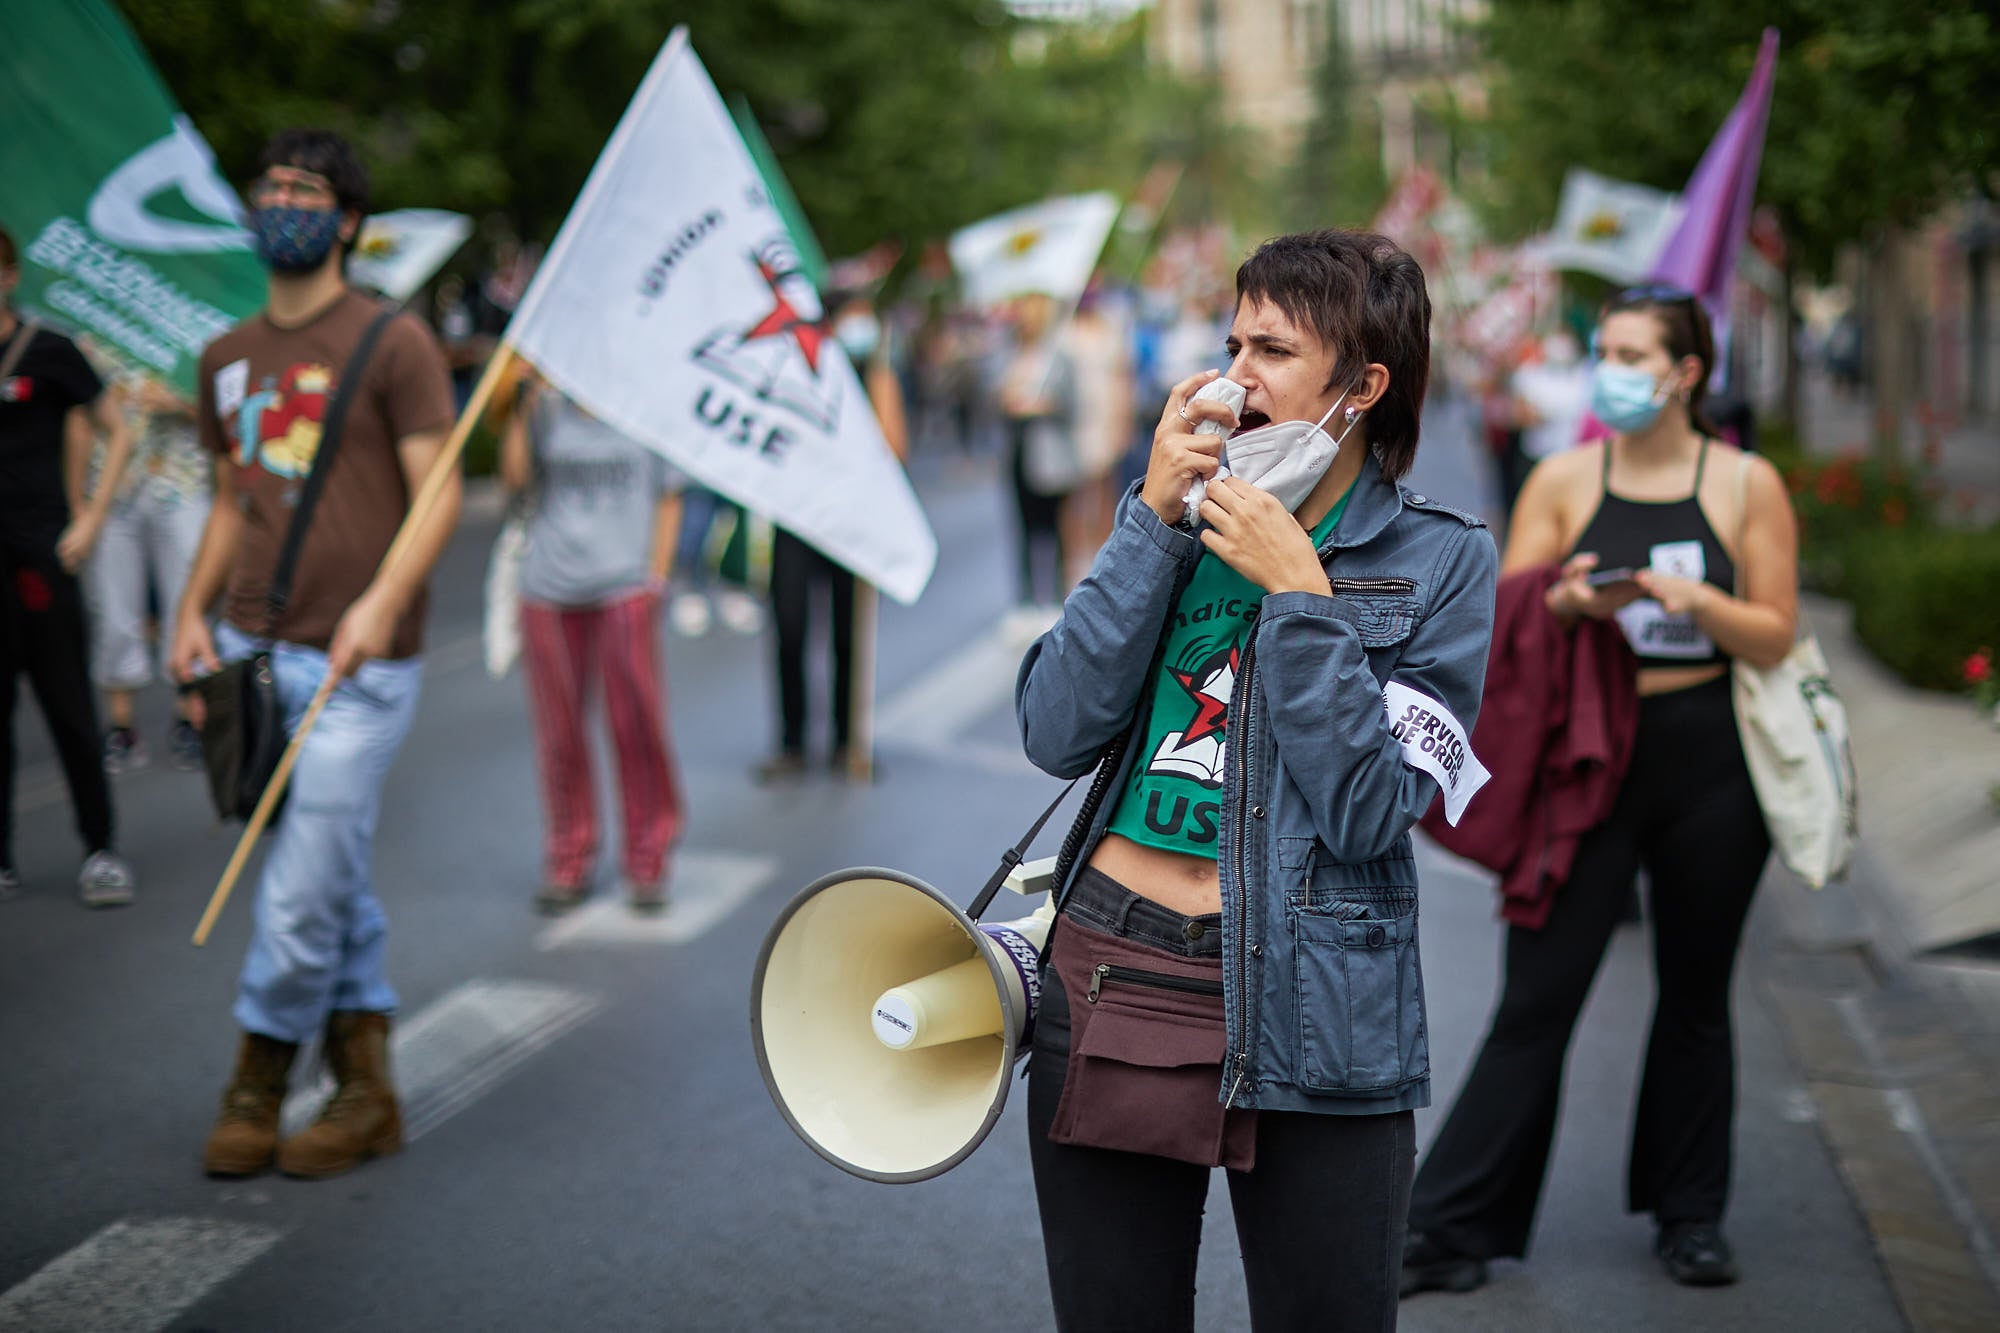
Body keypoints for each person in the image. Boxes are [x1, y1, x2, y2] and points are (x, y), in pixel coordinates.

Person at [1016, 229, 1499, 1332]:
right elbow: (1052, 727)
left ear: (1362, 386)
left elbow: (1373, 811)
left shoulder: (1441, 559)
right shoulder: (1174, 520)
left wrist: (1300, 599)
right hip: (1112, 971)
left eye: (1272, 350)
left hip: (1319, 1000)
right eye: (1231, 341)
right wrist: (1145, 518)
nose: (1233, 377)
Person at [1400, 286, 1800, 1293]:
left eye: (1630, 353)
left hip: (1709, 757)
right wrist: (1573, 599)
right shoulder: (1562, 476)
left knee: (1695, 993)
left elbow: (1774, 632)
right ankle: (1449, 1227)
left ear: (1684, 373)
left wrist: (1697, 598)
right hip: (1587, 761)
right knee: (1537, 992)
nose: (1609, 370)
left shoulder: (1744, 482)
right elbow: (1508, 613)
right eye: (1604, 351)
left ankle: (1689, 1215)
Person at [170, 129, 461, 1181]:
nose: (281, 200)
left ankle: (257, 1076)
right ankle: (368, 1089)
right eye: (270, 184)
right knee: (326, 873)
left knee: (295, 891)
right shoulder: (224, 355)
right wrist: (189, 613)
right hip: (252, 654)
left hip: (358, 667)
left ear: (345, 221)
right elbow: (226, 501)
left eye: (306, 188)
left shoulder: (394, 342)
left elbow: (440, 493)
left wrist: (380, 602)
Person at [499, 372, 685, 914]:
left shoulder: (645, 405)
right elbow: (515, 479)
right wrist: (519, 405)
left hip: (624, 588)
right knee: (559, 735)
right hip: (549, 590)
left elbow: (669, 496)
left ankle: (648, 857)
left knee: (637, 726)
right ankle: (568, 857)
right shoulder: (548, 407)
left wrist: (656, 578)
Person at [0, 226, 138, 907]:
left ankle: (101, 848)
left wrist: (89, 517)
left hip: (42, 557)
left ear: (9, 274)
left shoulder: (47, 350)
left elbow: (120, 427)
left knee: (67, 706)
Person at [754, 289, 907, 784]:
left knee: (849, 631)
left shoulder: (873, 374)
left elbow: (895, 448)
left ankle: (847, 742)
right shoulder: (795, 376)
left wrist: (880, 383)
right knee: (791, 627)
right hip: (798, 519)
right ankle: (793, 742)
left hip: (852, 524)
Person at [87, 370, 212, 774]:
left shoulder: (194, 331)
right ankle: (120, 727)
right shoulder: (89, 327)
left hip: (181, 482)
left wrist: (180, 403)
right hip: (112, 486)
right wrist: (78, 503)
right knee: (113, 609)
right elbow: (75, 414)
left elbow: (227, 419)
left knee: (188, 601)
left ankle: (189, 717)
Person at [998, 292, 1081, 614]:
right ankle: (1027, 597)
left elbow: (1071, 404)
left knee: (1057, 529)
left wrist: (1038, 405)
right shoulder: (1012, 355)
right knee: (1022, 527)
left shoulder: (1058, 357)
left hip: (1050, 455)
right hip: (1019, 451)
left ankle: (1059, 596)